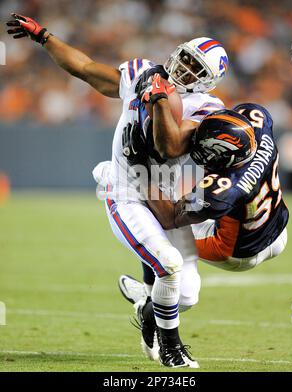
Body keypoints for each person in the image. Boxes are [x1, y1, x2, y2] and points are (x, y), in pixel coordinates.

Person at [7, 13, 229, 368]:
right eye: (185, 57)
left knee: (187, 293)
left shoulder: (208, 109)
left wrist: (158, 103)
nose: (185, 67)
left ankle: (146, 305)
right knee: (169, 266)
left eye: (195, 67)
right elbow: (86, 68)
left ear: (209, 82)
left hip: (165, 201)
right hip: (125, 192)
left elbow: (169, 147)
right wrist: (44, 36)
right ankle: (171, 348)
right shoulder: (143, 73)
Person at [119, 103, 289, 311]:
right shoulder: (256, 122)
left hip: (234, 251)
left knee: (156, 223)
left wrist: (141, 168)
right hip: (277, 228)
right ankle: (150, 292)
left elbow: (169, 217)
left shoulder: (223, 190)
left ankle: (148, 303)